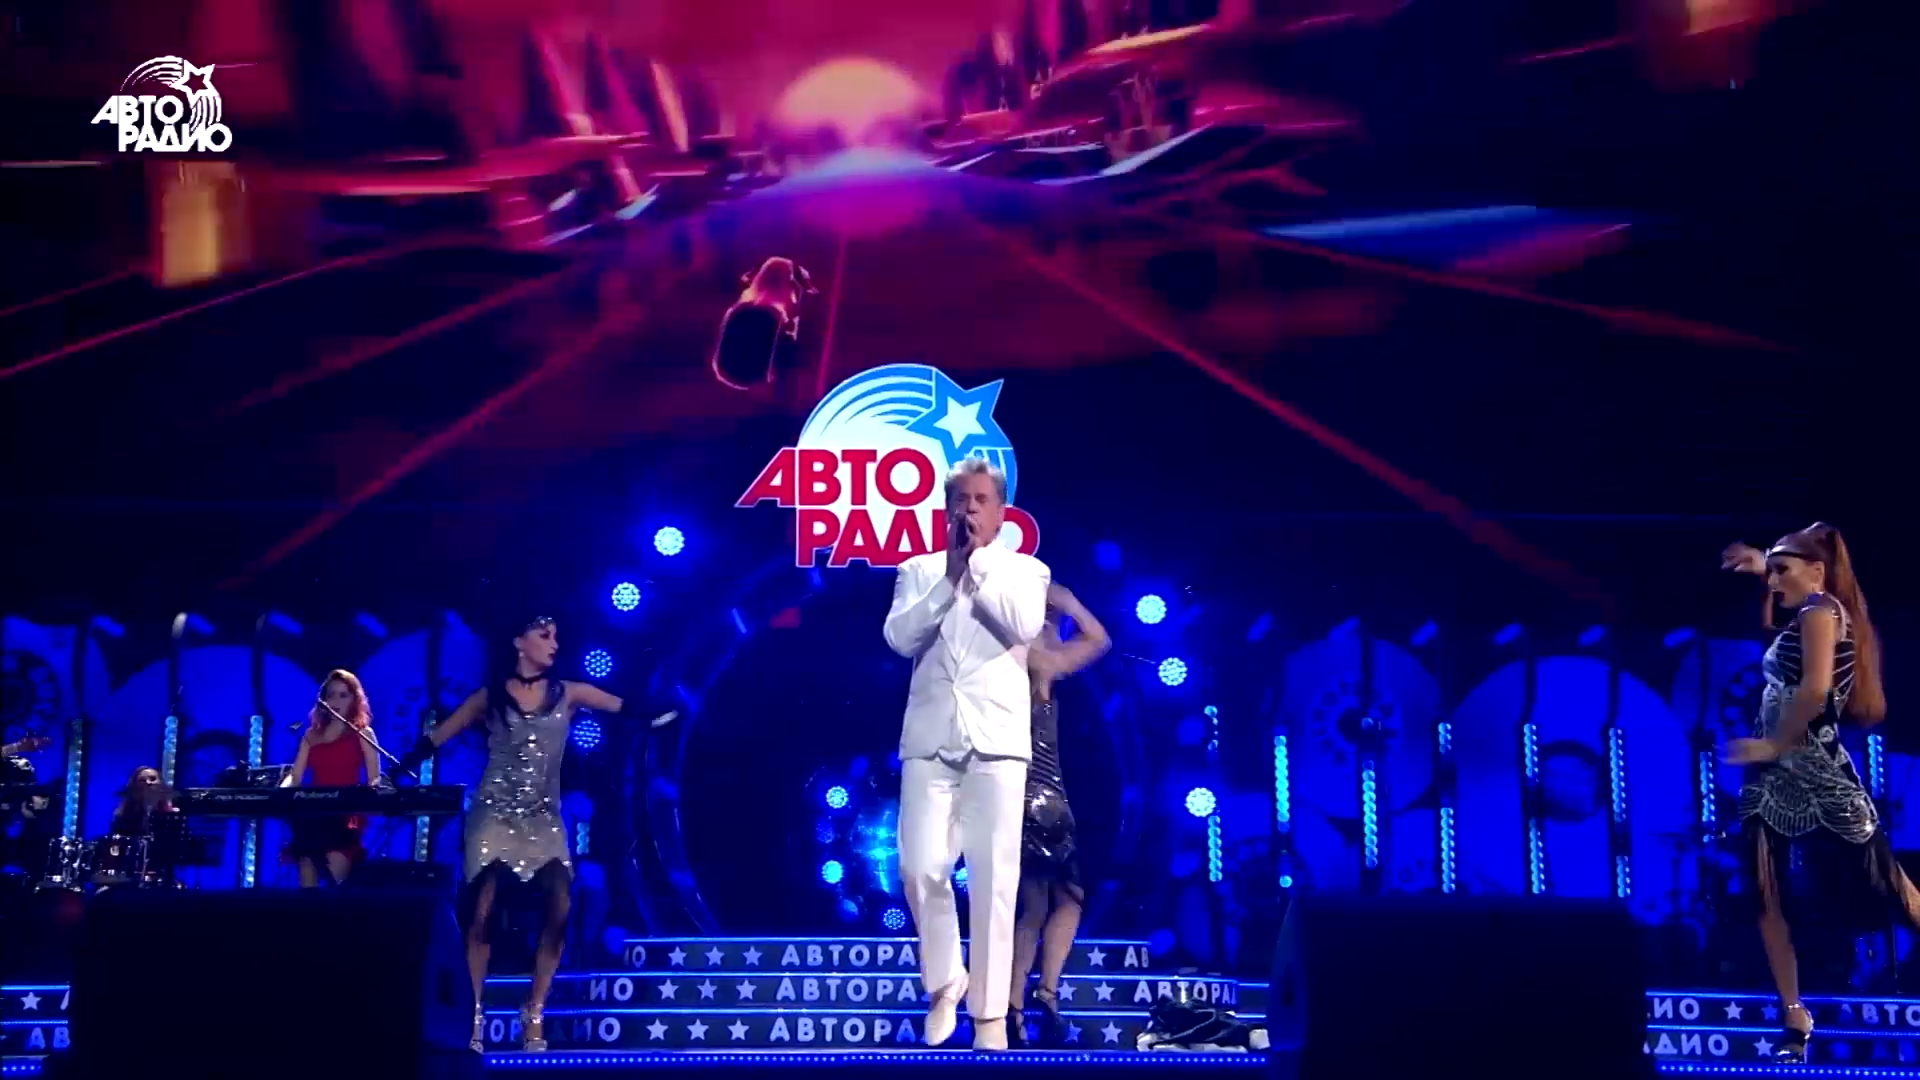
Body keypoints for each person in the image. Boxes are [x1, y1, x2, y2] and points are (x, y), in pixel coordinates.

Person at [398, 616, 674, 1054]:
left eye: (557, 636)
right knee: (482, 911)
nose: (554, 643)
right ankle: (473, 1014)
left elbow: (624, 706)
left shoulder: (570, 693)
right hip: (493, 813)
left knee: (560, 906)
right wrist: (392, 774)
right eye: (544, 636)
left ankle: (534, 1010)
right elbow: (438, 737)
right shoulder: (490, 697)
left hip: (542, 817)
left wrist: (660, 713)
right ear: (519, 642)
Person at [1720, 523, 1920, 1062]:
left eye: (1782, 571)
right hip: (1771, 775)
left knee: (1888, 883)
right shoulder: (1802, 615)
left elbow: (1814, 692)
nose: (1774, 581)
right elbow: (1772, 639)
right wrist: (1763, 569)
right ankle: (1794, 1015)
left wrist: (1772, 745)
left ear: (1816, 571)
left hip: (1816, 765)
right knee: (1766, 892)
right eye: (1772, 572)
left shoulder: (1822, 611)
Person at [884, 458, 1050, 1051]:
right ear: (946, 509)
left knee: (994, 881)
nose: (969, 509)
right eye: (960, 500)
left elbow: (1024, 625)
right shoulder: (917, 570)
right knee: (920, 867)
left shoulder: (1026, 571)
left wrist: (977, 567)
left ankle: (989, 1017)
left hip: (997, 743)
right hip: (929, 741)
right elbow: (899, 637)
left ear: (1000, 512)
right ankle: (944, 983)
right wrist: (950, 574)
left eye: (980, 500)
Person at [1009, 584, 1109, 1046]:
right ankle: (1040, 997)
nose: (1061, 632)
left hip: (1017, 792)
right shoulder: (1040, 660)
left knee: (1038, 905)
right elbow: (1100, 640)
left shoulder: (1003, 659)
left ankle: (1019, 1006)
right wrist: (1069, 602)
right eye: (1054, 625)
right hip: (1040, 797)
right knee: (1063, 899)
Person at [280, 669, 382, 887]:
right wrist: (281, 793)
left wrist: (372, 796)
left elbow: (374, 778)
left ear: (354, 700)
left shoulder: (363, 733)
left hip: (345, 815)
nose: (336, 701)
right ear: (323, 700)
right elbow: (295, 775)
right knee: (306, 872)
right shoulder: (311, 735)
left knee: (335, 881)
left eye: (343, 695)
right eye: (331, 695)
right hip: (313, 814)